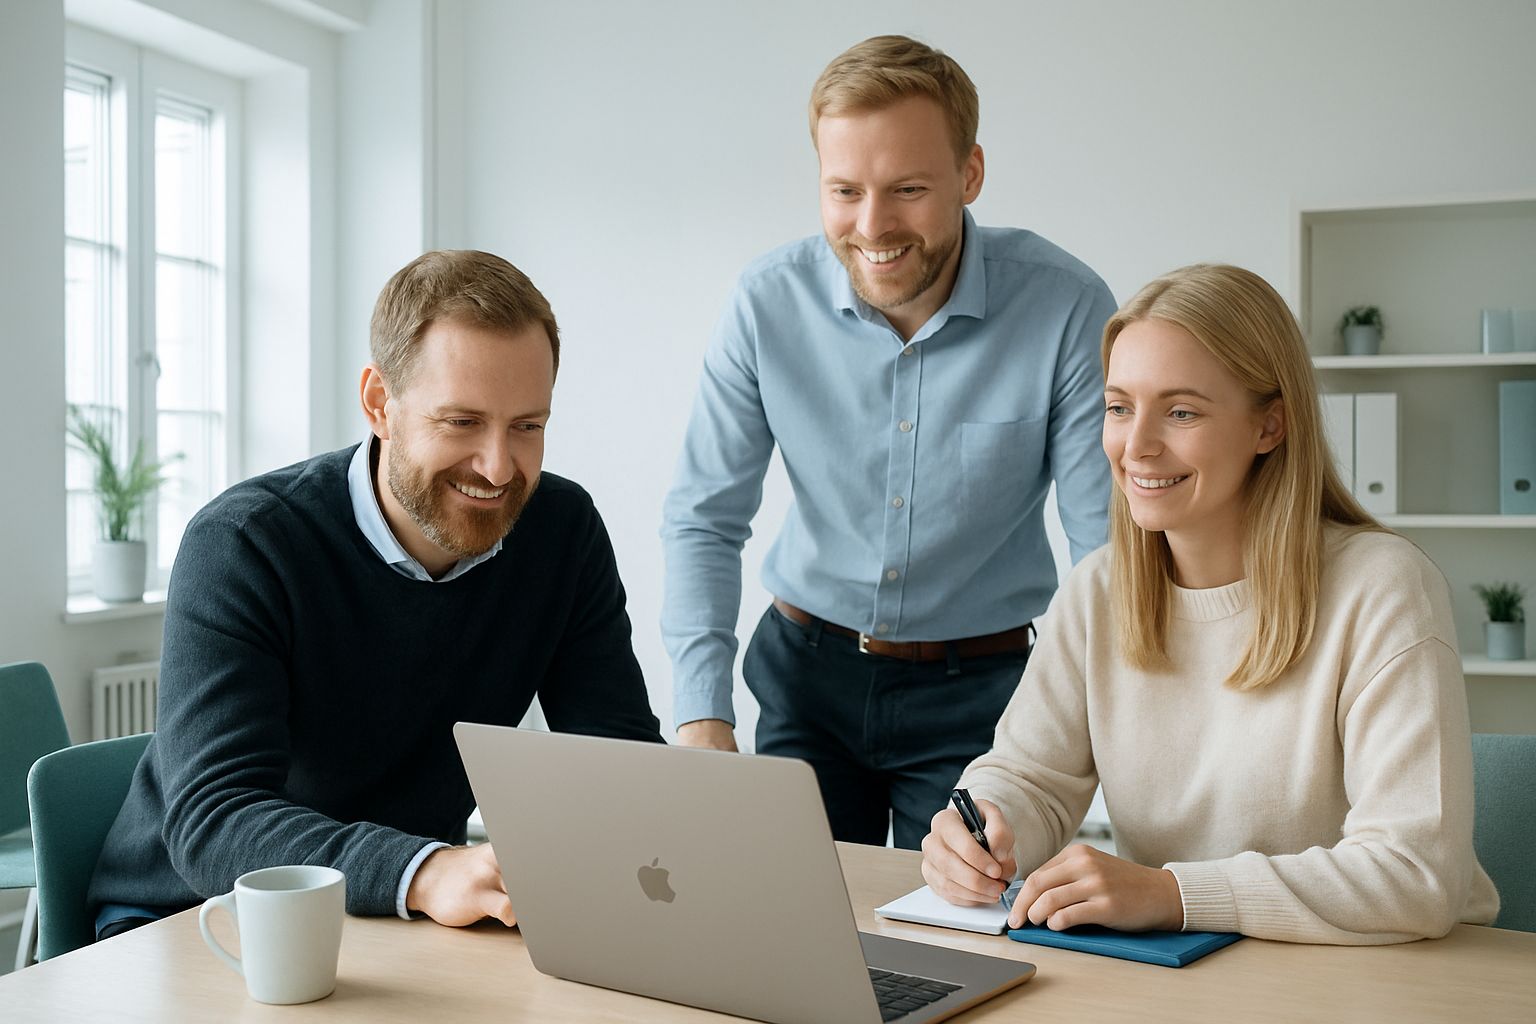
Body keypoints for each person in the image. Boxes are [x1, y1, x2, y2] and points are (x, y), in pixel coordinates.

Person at [921, 263, 1501, 943]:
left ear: (1270, 426)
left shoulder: (1384, 587)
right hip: (1188, 970)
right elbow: (1031, 775)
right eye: (1119, 407)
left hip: (1394, 971)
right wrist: (984, 830)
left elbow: (1415, 873)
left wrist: (1175, 894)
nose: (1136, 446)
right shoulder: (1097, 591)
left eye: (1181, 412)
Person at [89, 250, 663, 937]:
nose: (497, 467)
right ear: (379, 405)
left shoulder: (561, 532)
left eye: (527, 426)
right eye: (461, 422)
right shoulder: (245, 544)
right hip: (192, 917)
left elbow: (618, 762)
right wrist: (423, 871)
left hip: (395, 916)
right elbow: (216, 819)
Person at [661, 35, 1116, 849]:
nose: (873, 226)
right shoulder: (765, 303)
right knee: (794, 911)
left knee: (965, 914)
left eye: (908, 189)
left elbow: (1105, 551)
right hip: (805, 680)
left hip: (985, 695)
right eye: (845, 191)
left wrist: (1106, 725)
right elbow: (704, 518)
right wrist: (702, 717)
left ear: (970, 175)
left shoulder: (1066, 308)